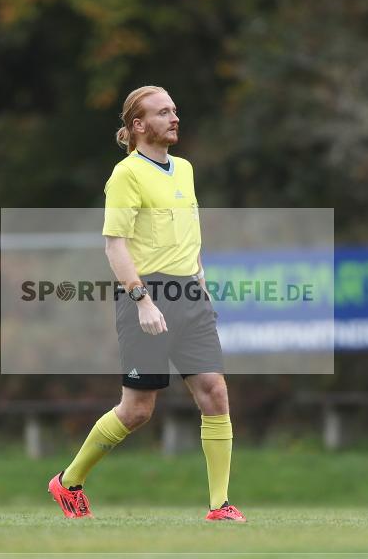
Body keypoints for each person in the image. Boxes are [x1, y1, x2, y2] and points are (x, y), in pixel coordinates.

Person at [48, 85, 246, 521]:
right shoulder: (126, 175)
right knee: (137, 410)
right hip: (147, 295)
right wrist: (142, 299)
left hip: (189, 294)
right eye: (162, 112)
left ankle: (220, 505)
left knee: (215, 393)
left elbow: (188, 233)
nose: (174, 118)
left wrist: (200, 279)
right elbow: (114, 245)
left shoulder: (186, 169)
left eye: (175, 110)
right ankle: (67, 483)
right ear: (138, 126)